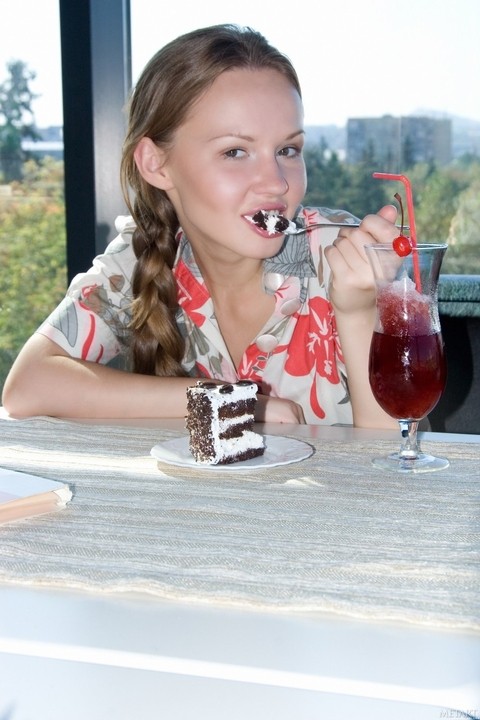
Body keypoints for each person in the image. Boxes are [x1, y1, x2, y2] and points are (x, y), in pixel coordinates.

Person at [2, 24, 399, 428]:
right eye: (235, 151)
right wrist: (227, 401)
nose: (277, 182)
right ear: (156, 164)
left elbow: (399, 465)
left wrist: (359, 311)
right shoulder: (140, 258)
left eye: (287, 150)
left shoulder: (348, 260)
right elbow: (27, 387)